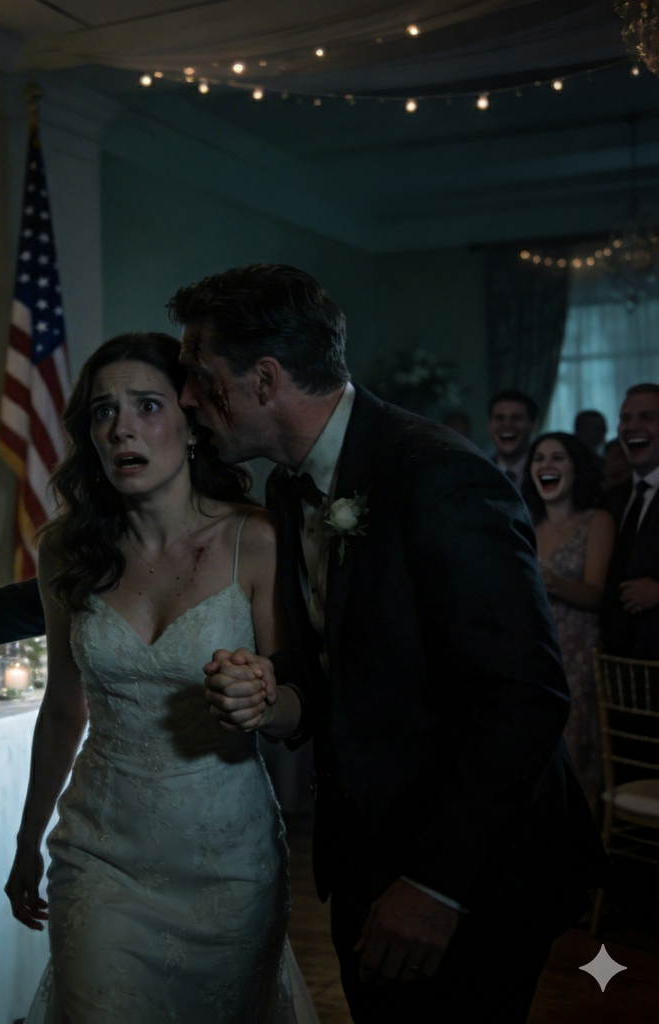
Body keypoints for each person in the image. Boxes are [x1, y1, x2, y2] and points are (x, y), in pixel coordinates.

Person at [170, 264, 605, 1023]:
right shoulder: (286, 486)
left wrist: (438, 887)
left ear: (266, 379)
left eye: (201, 379)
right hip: (369, 854)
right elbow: (339, 669)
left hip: (477, 872)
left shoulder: (438, 477)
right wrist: (272, 690)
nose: (186, 400)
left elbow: (524, 699)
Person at [0, 333, 315, 1022]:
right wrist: (27, 839)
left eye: (147, 405)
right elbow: (62, 707)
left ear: (191, 424)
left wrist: (264, 701)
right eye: (103, 413)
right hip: (99, 855)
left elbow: (300, 704)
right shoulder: (66, 552)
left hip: (227, 863)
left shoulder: (252, 540)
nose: (122, 429)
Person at [524, 432, 615, 810]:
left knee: (577, 764)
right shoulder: (527, 522)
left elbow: (596, 594)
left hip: (576, 659)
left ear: (576, 468)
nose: (546, 465)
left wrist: (555, 584)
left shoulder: (597, 520)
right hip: (534, 662)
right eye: (540, 458)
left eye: (558, 457)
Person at [600, 383, 659, 660]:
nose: (632, 426)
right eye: (625, 419)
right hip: (618, 667)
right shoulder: (609, 501)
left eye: (647, 417)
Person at [487, 389, 538, 491]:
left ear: (532, 425)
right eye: (499, 418)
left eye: (516, 418)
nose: (507, 425)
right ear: (489, 425)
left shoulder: (543, 473)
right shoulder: (477, 473)